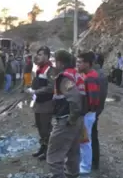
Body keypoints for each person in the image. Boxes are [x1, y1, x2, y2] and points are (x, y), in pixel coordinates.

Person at [46, 50, 84, 178]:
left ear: (61, 63)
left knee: (53, 156)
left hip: (66, 120)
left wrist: (72, 119)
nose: (54, 65)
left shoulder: (65, 78)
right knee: (73, 153)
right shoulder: (76, 74)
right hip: (77, 120)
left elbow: (75, 98)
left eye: (55, 62)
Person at [26, 46, 55, 161]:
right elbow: (36, 83)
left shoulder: (50, 70)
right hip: (38, 103)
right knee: (39, 126)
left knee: (45, 128)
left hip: (46, 103)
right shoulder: (38, 69)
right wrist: (32, 92)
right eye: (38, 54)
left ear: (47, 56)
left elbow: (51, 87)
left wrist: (35, 91)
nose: (38, 56)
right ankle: (43, 148)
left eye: (41, 54)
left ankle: (49, 151)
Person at [76, 52, 100, 174]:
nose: (77, 64)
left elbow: (93, 100)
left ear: (87, 64)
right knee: (84, 140)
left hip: (87, 114)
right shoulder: (87, 75)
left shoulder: (90, 77)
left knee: (85, 142)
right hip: (88, 114)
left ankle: (85, 167)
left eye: (80, 62)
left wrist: (84, 111)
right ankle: (84, 163)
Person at [91, 56, 108, 170]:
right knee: (91, 135)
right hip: (94, 110)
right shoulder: (99, 73)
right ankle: (93, 160)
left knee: (92, 135)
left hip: (92, 111)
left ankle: (94, 161)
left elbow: (100, 95)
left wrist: (95, 111)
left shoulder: (97, 75)